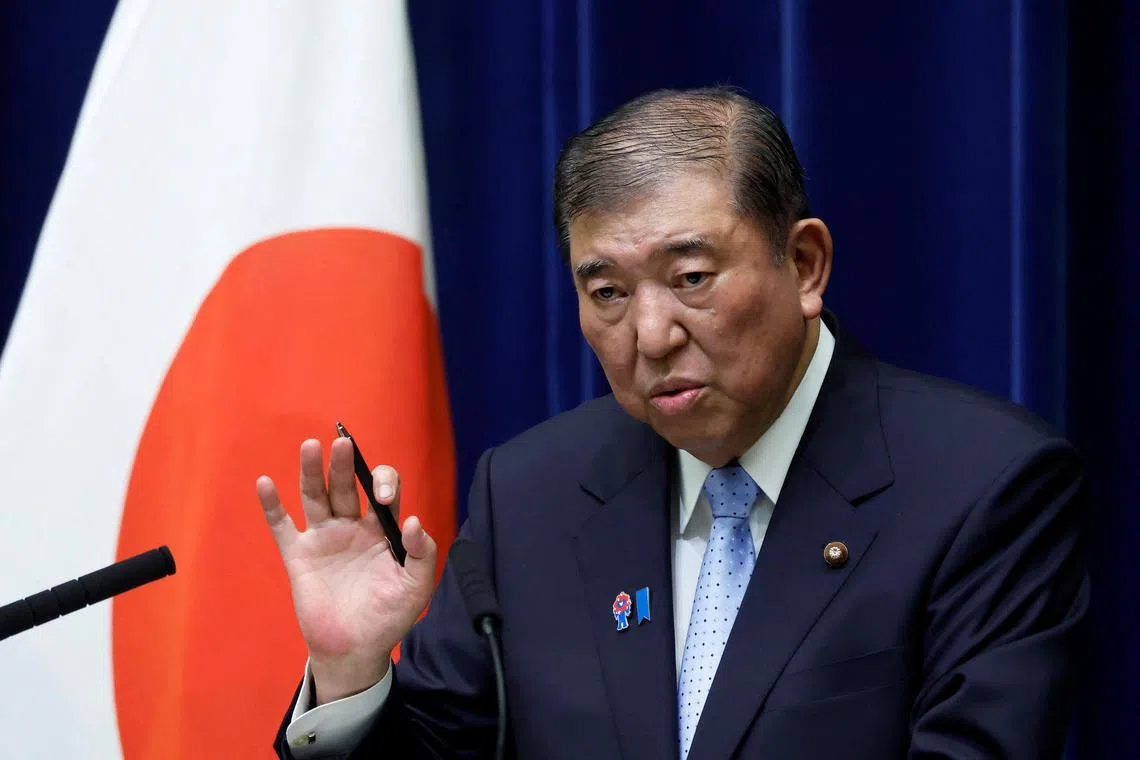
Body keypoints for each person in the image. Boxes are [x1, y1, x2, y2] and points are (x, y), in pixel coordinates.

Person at [257, 87, 1088, 759]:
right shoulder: (532, 493)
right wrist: (352, 672)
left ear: (803, 265)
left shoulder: (983, 486)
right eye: (608, 292)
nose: (651, 336)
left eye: (690, 277)